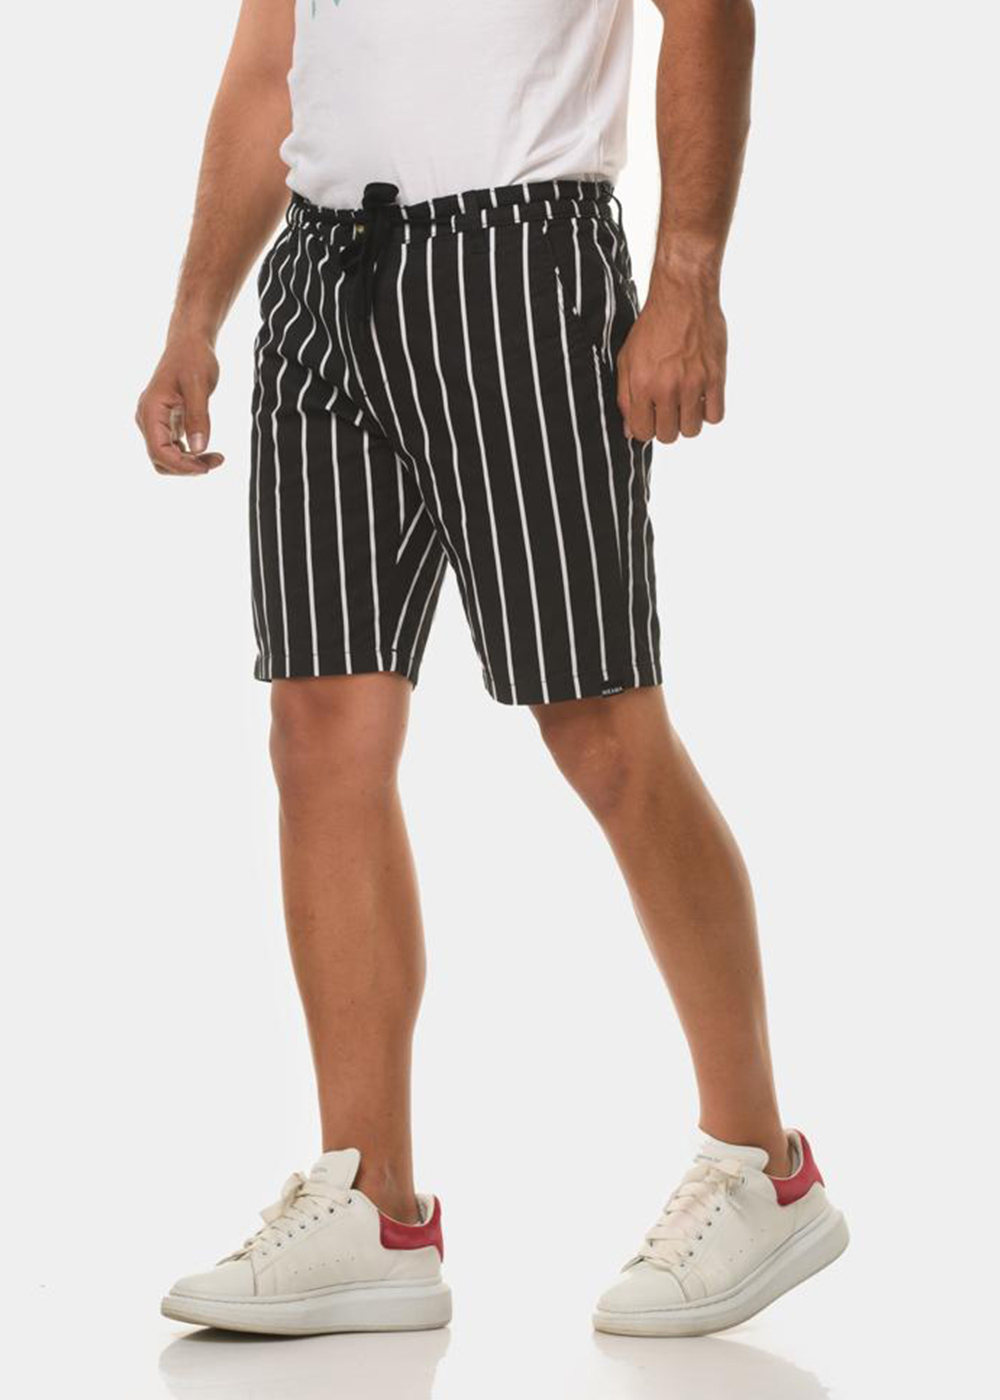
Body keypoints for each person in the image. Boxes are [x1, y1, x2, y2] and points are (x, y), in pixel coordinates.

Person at [140, 0, 847, 1339]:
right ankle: (375, 1208)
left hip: (518, 265)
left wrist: (688, 275)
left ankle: (766, 1168)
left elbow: (707, 12)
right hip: (322, 276)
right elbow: (268, 68)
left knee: (599, 723)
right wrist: (194, 317)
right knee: (319, 725)